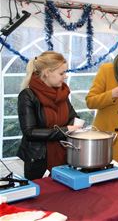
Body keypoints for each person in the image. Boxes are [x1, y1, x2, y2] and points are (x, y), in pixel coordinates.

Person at [17, 51, 80, 180]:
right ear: (47, 73)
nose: (65, 76)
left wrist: (79, 125)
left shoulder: (62, 93)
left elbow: (72, 117)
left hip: (65, 156)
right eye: (61, 73)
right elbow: (30, 132)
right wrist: (65, 131)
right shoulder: (27, 96)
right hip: (39, 161)